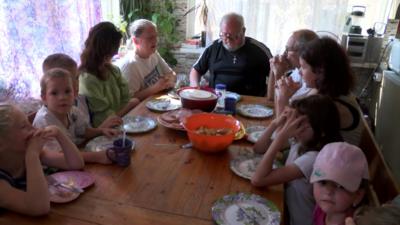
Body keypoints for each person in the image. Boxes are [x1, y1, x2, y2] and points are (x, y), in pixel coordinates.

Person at [251, 94, 342, 225]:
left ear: (322, 131)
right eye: (296, 120)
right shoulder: (301, 142)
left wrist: (282, 135)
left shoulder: (313, 159)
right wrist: (276, 123)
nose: (296, 126)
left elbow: (258, 179)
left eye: (302, 123)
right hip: (285, 208)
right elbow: (259, 148)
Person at [276, 37, 363, 145]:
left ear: (320, 70)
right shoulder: (322, 92)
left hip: (330, 161)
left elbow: (281, 142)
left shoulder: (331, 105)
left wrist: (282, 100)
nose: (299, 72)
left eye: (303, 67)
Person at [0, 104, 84, 215]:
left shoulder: (29, 154)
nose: (33, 129)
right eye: (23, 126)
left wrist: (59, 134)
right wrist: (32, 155)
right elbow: (38, 207)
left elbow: (75, 164)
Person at [33, 68, 120, 164]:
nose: (62, 97)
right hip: (57, 168)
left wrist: (101, 131)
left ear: (74, 93)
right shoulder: (44, 121)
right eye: (54, 93)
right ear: (44, 98)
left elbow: (83, 131)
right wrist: (97, 156)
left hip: (76, 158)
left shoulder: (72, 111)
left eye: (67, 91)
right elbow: (59, 155)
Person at [189, 12, 272, 96]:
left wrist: (269, 98)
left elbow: (276, 74)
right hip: (217, 100)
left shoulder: (258, 50)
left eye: (233, 36)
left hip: (250, 103)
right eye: (224, 35)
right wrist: (195, 87)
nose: (228, 40)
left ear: (243, 31)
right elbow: (195, 70)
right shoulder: (213, 48)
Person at [78, 21, 140, 127]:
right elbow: (103, 120)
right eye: (115, 49)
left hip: (122, 123)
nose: (116, 53)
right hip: (103, 132)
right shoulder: (87, 79)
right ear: (103, 50)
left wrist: (130, 104)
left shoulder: (113, 70)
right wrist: (132, 104)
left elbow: (126, 99)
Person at [42, 53, 122, 128]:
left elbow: (84, 132)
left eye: (77, 77)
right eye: (70, 79)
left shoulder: (80, 100)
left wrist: (101, 128)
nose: (76, 83)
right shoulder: (47, 119)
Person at [310, 142, 369, 225]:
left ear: (358, 196)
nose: (328, 191)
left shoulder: (352, 222)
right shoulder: (320, 209)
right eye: (323, 182)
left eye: (340, 186)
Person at [117, 19, 176, 101]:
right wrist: (154, 88)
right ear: (136, 41)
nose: (155, 41)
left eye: (156, 36)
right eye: (150, 38)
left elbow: (171, 73)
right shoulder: (130, 65)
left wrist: (169, 81)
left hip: (159, 102)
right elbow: (129, 100)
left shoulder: (153, 53)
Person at [266, 29, 318, 103]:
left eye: (287, 49)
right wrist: (273, 69)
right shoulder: (297, 72)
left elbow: (281, 106)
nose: (284, 54)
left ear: (302, 51)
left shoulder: (311, 80)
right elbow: (271, 98)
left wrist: (278, 74)